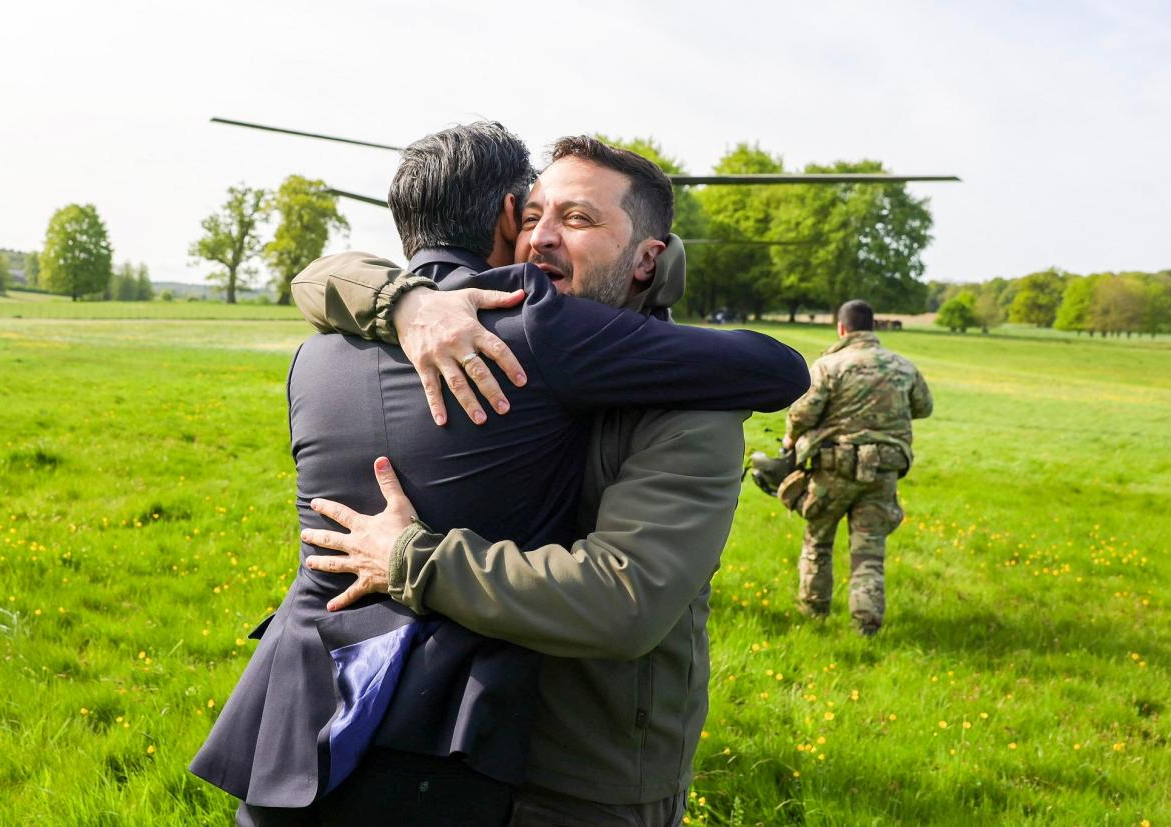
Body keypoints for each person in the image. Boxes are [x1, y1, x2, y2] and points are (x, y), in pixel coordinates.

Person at [192, 123, 809, 826]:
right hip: (448, 743)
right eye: (536, 213)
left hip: (577, 771)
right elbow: (318, 277)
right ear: (507, 220)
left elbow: (625, 597)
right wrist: (405, 301)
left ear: (647, 259)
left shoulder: (685, 401)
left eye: (577, 219)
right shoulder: (481, 327)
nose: (543, 237)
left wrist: (412, 558)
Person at [780, 299, 933, 636]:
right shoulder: (903, 366)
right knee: (869, 552)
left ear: (841, 328)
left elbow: (802, 412)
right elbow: (924, 407)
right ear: (873, 327)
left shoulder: (828, 366)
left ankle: (813, 614)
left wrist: (789, 441)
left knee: (818, 541)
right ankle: (866, 624)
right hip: (883, 472)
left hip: (833, 469)